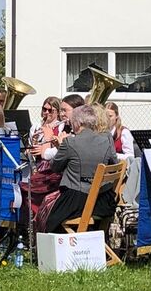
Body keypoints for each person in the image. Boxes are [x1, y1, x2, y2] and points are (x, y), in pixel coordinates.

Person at [43, 105, 119, 233]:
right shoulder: (106, 142)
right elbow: (114, 164)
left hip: (77, 202)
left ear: (78, 123)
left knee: (50, 219)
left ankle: (71, 244)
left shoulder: (70, 143)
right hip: (103, 202)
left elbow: (55, 167)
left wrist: (61, 146)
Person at [27, 97, 64, 227]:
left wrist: (43, 149)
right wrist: (30, 150)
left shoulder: (61, 126)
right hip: (36, 164)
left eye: (51, 110)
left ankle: (40, 220)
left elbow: (58, 149)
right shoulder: (36, 127)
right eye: (44, 109)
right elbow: (30, 145)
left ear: (57, 112)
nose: (47, 113)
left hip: (51, 166)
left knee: (33, 187)